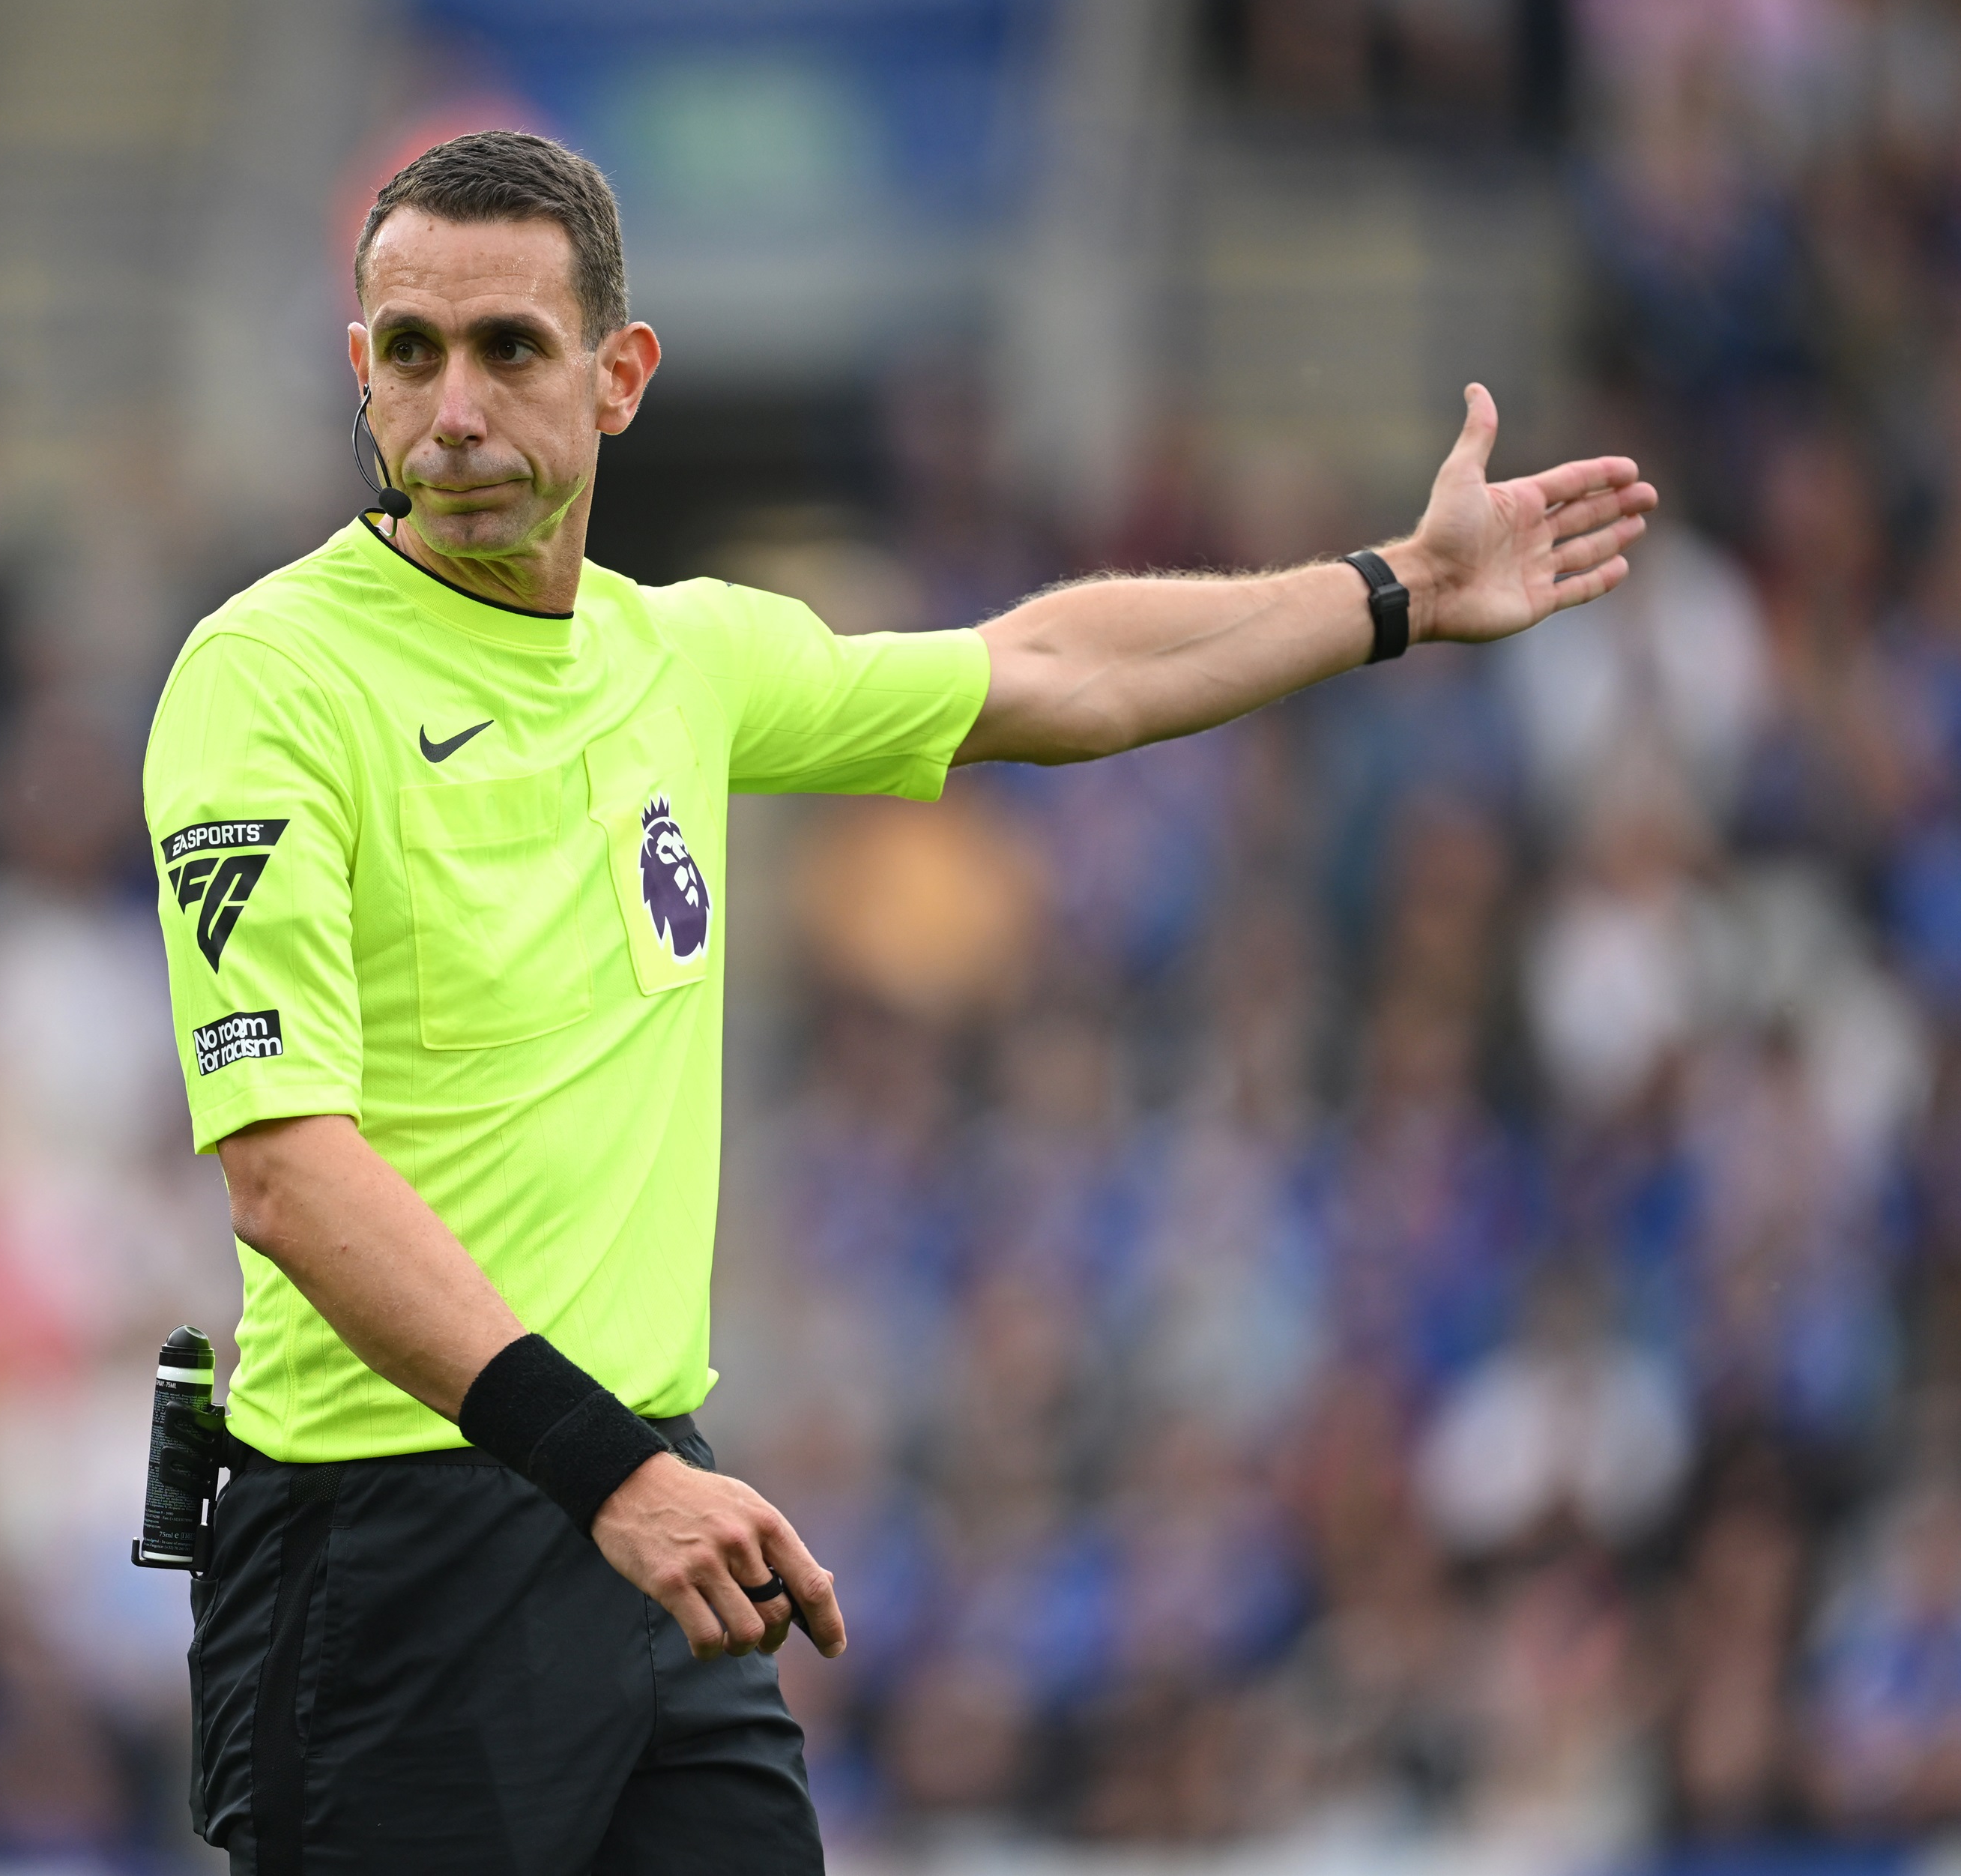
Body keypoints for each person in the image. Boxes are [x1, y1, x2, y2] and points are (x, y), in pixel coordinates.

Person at [142, 129, 1655, 1875]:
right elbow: (285, 1169)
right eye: (411, 353)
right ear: (361, 374)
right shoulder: (268, 679)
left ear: (618, 377)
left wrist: (1395, 591)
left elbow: (1052, 671)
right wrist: (610, 1474)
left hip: (642, 1508)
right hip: (389, 1551)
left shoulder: (677, 658)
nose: (456, 406)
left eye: (511, 349)